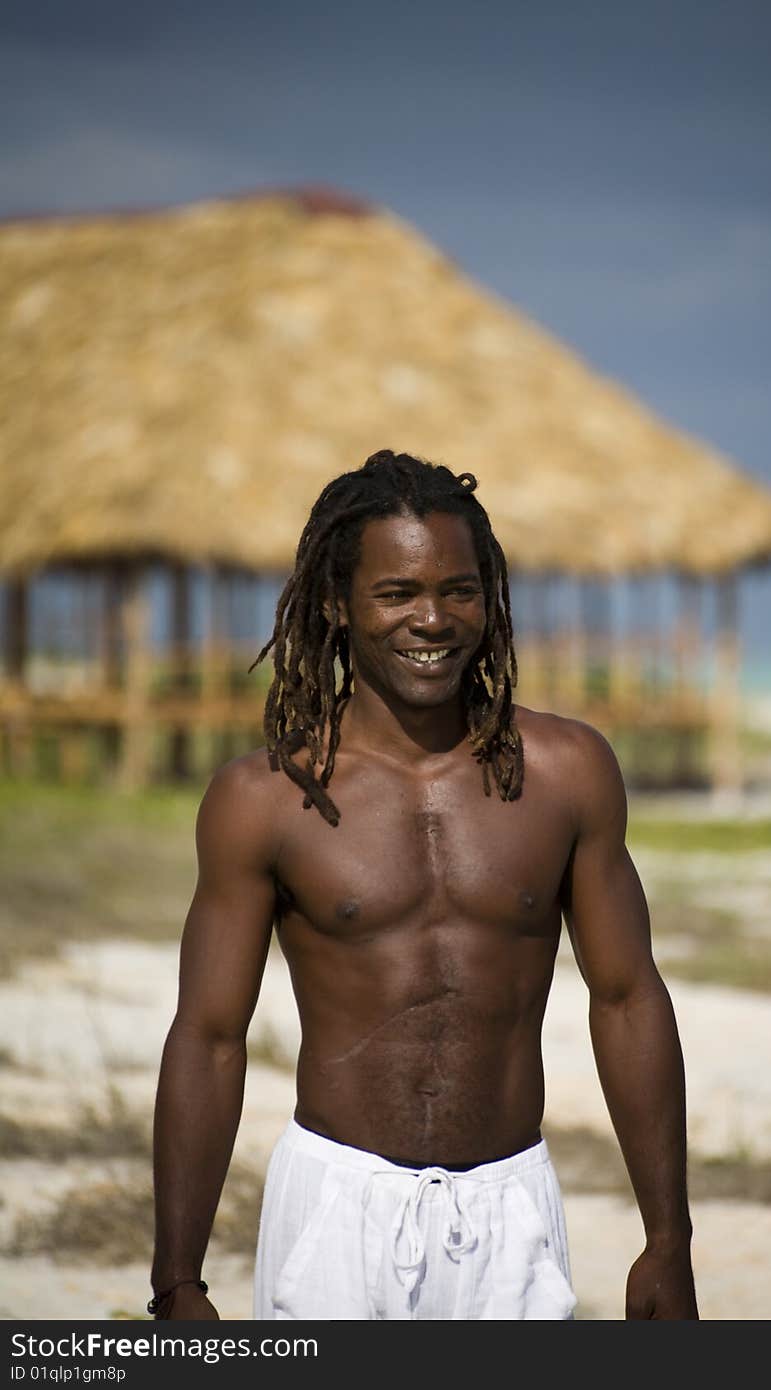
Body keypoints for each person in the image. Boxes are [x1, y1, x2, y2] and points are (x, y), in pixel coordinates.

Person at [149, 449, 698, 1321]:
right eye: (398, 593)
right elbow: (211, 1036)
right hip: (335, 1202)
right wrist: (176, 1278)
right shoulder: (266, 799)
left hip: (512, 1202)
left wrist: (669, 1239)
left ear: (491, 598)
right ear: (339, 603)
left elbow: (628, 997)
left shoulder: (567, 772)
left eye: (459, 590)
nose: (433, 618)